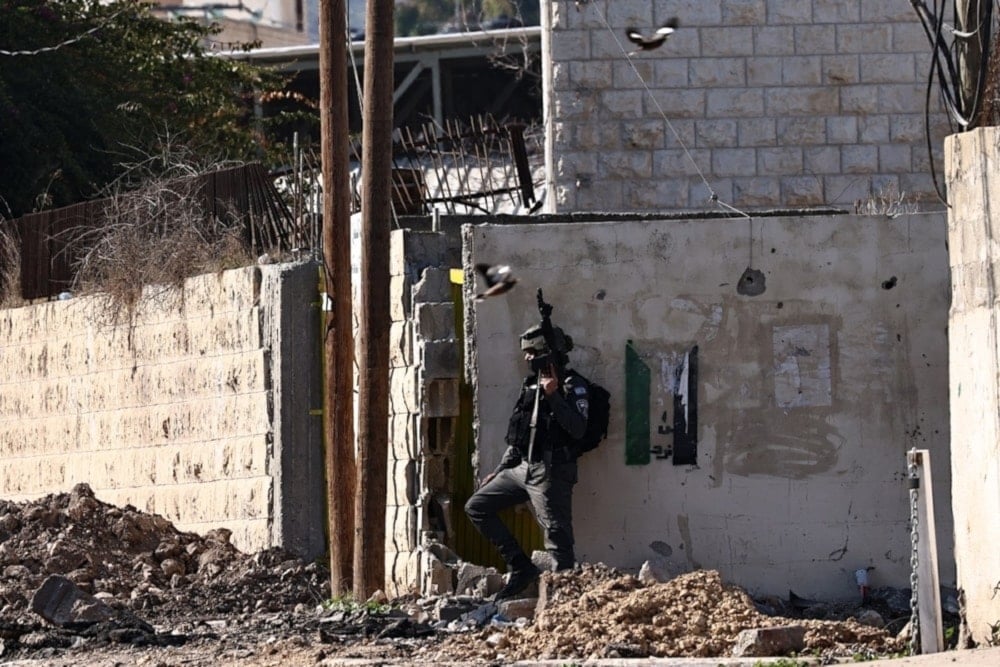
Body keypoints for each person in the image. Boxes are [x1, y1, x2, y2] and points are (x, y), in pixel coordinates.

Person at [464, 322, 590, 600]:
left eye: (532, 352)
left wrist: (554, 395)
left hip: (552, 471)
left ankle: (562, 598)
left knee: (557, 536)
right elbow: (519, 435)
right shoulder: (529, 385)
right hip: (522, 468)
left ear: (547, 352)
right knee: (477, 506)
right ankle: (522, 567)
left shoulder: (573, 386)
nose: (526, 358)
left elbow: (578, 429)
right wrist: (499, 470)